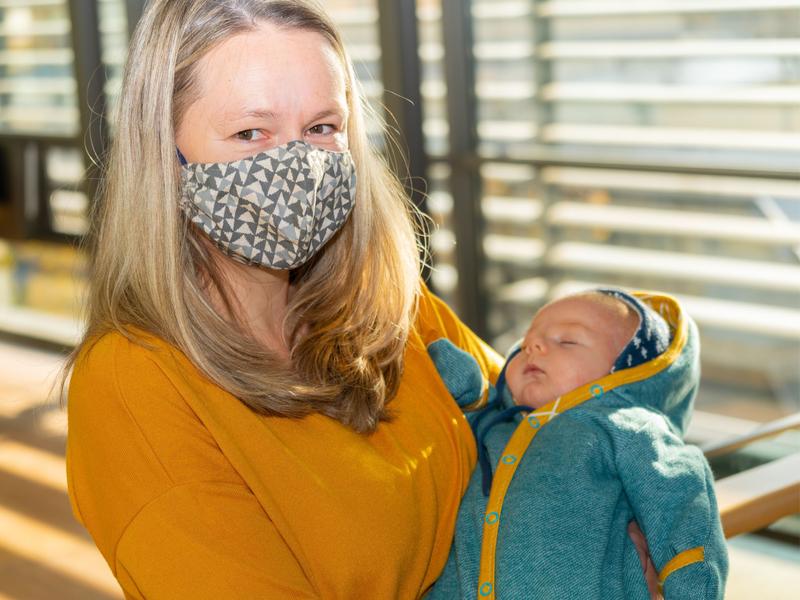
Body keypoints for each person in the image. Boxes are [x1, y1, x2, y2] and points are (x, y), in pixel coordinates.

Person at [64, 1, 658, 598]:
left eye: (322, 127)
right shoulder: (131, 384)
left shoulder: (386, 301)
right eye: (251, 132)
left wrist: (622, 521)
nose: (297, 167)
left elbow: (540, 413)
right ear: (164, 155)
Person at [425, 289, 729, 599]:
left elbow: (682, 506)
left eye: (567, 340)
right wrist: (470, 395)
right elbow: (460, 437)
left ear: (623, 373)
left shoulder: (627, 426)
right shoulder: (500, 425)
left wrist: (694, 588)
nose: (534, 346)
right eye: (526, 341)